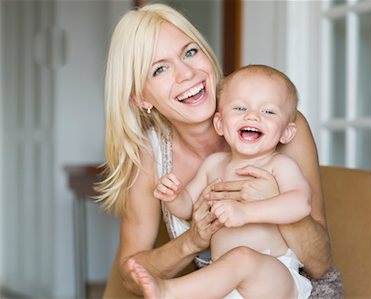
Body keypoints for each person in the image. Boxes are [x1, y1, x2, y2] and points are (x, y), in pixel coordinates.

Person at [97, 3, 343, 298]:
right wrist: (193, 239)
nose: (186, 74)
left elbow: (319, 263)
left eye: (189, 52)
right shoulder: (149, 155)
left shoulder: (278, 125)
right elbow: (131, 273)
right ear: (140, 98)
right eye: (160, 68)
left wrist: (267, 202)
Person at [131, 64, 313, 299]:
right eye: (240, 108)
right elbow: (187, 208)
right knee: (233, 262)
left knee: (242, 258)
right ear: (220, 124)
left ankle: (168, 292)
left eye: (268, 112)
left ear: (286, 133)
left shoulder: (279, 166)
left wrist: (246, 212)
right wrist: (174, 196)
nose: (252, 116)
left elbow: (300, 204)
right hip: (224, 282)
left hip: (274, 273)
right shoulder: (214, 165)